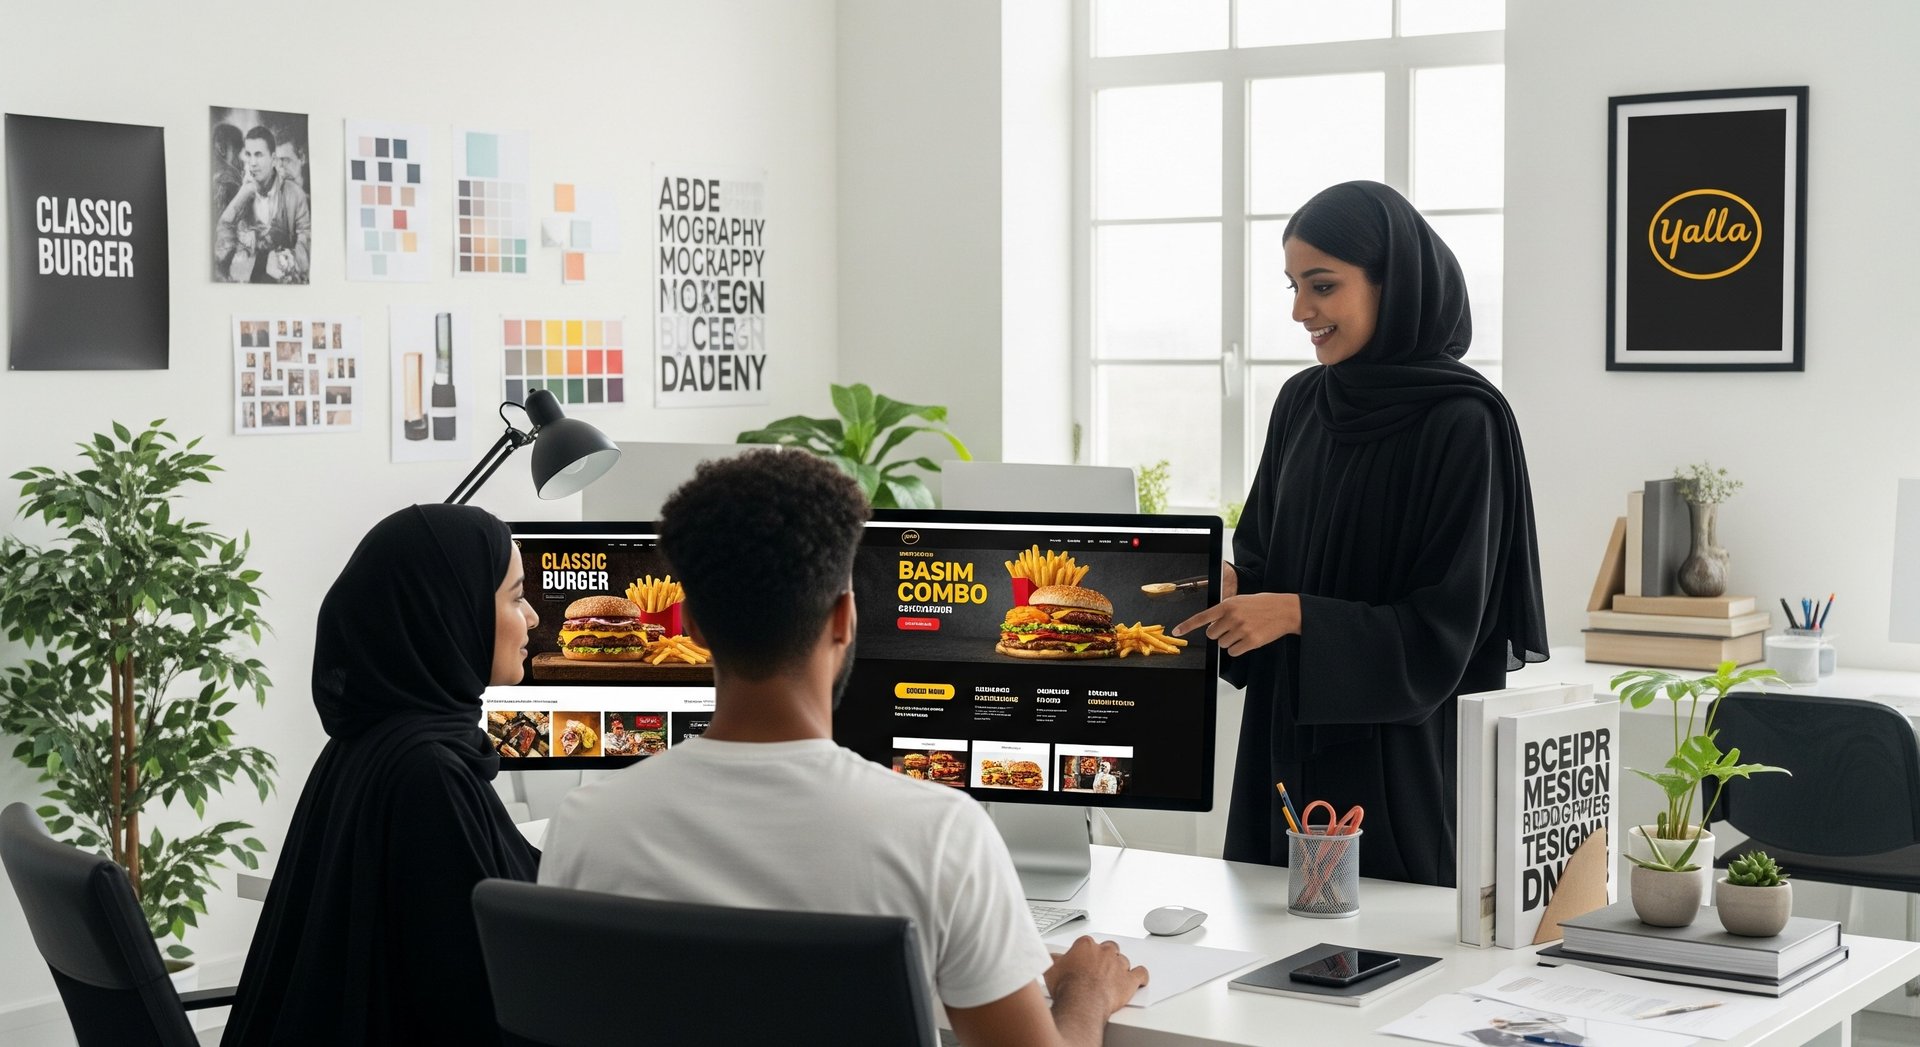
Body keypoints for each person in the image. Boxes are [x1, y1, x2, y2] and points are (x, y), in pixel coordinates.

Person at [539, 451, 1146, 1047]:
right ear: (844, 618)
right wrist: (1087, 989)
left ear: (691, 624)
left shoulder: (586, 824)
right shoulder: (941, 833)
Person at [1175, 180, 1548, 887]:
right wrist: (1232, 585)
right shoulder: (1301, 403)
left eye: (1322, 285)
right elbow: (1263, 558)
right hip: (1282, 748)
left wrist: (1295, 614)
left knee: (1388, 945)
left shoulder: (1465, 421)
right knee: (1261, 932)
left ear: (1392, 283)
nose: (1300, 311)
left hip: (1399, 763)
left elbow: (1447, 627)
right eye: (1293, 287)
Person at [222, 504, 541, 1046]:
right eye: (515, 597)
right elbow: (480, 1003)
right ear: (449, 613)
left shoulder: (369, 740)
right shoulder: (430, 774)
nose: (531, 618)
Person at [214, 124, 310, 284]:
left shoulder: (294, 194)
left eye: (258, 155)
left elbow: (306, 246)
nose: (252, 162)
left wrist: (282, 261)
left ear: (273, 159)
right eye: (248, 154)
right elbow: (222, 237)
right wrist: (259, 262)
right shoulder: (242, 193)